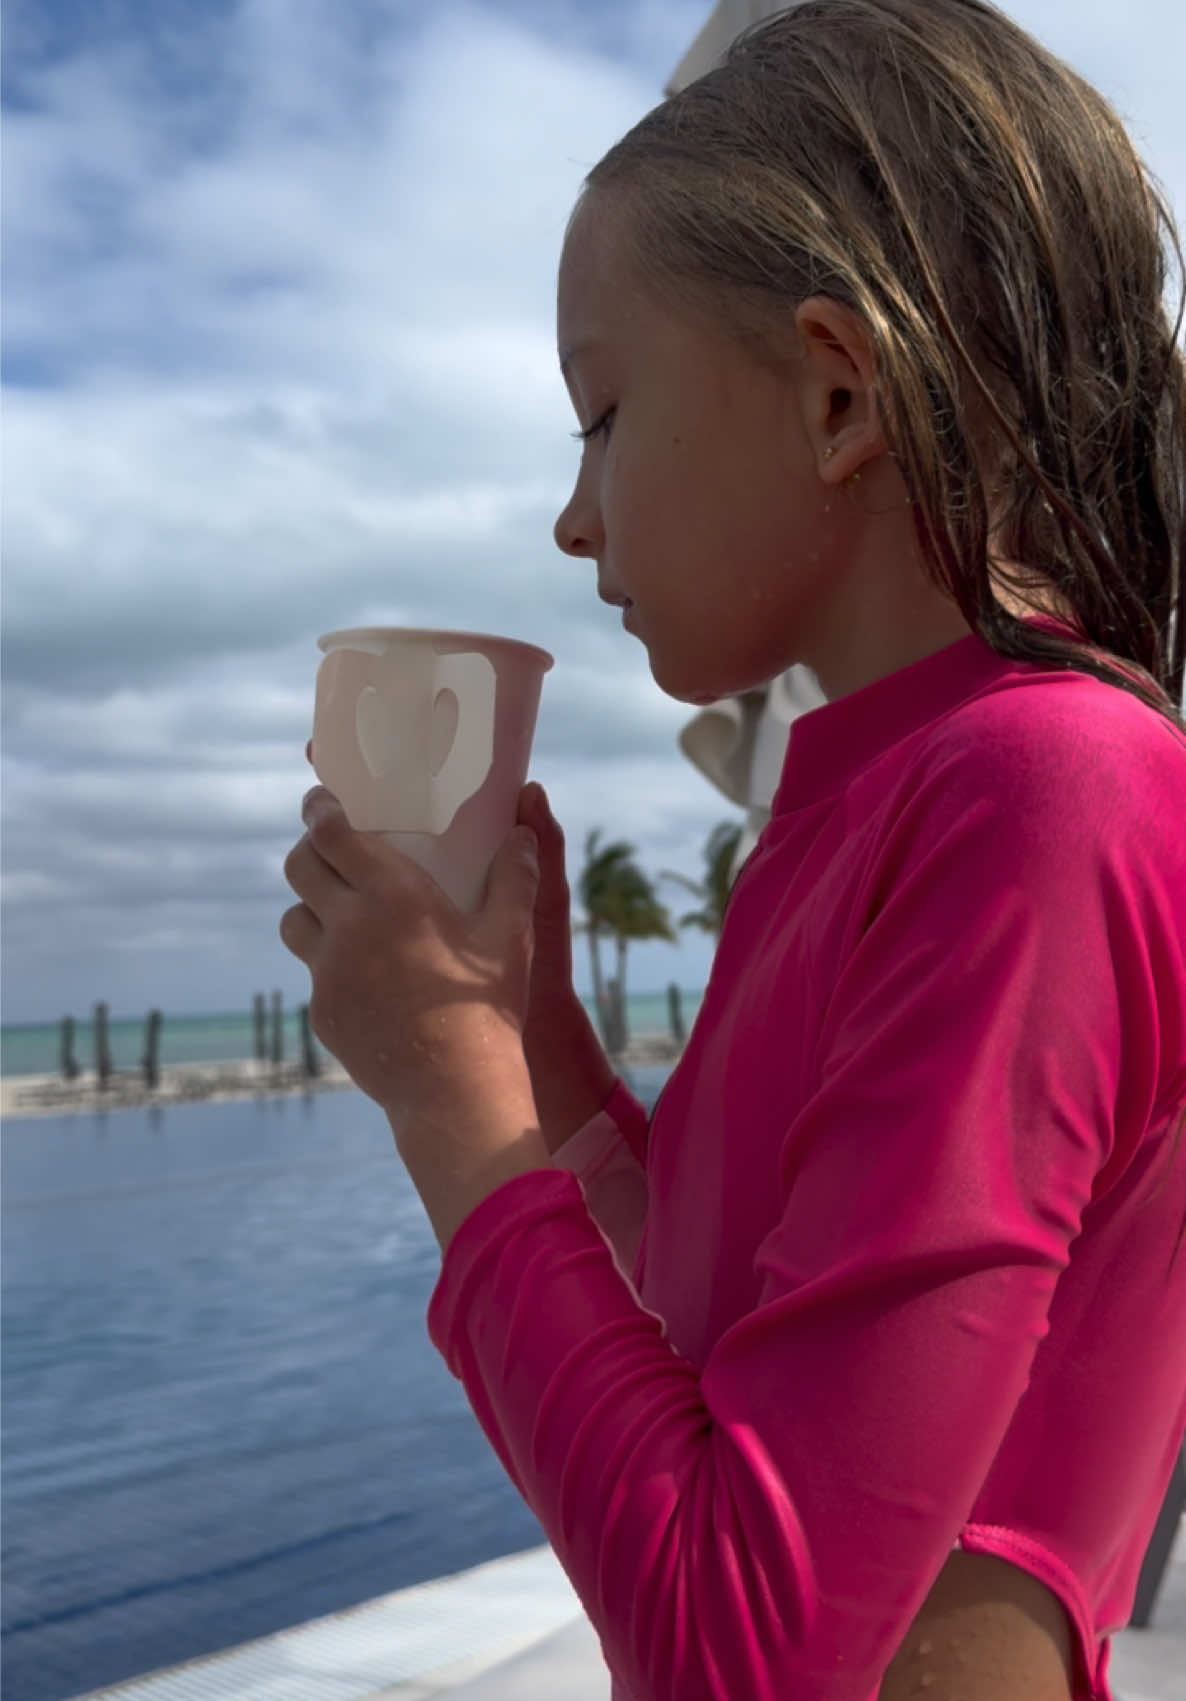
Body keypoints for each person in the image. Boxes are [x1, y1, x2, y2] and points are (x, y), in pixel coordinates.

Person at [279, 3, 1186, 1696]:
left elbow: (741, 1649)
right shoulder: (865, 804)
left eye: (602, 413)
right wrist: (531, 1035)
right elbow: (712, 1323)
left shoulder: (1046, 791)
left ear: (839, 388)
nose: (573, 514)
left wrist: (445, 1094)